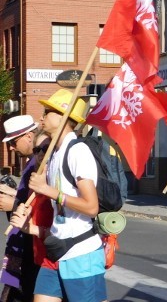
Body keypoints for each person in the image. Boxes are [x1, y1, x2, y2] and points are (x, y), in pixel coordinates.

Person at [10, 89, 106, 301]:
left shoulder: (77, 151)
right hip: (55, 250)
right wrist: (30, 224)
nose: (42, 116)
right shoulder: (53, 154)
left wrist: (49, 190)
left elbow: (91, 207)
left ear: (64, 116)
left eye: (48, 111)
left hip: (81, 253)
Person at [0, 116, 45, 301]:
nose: (11, 147)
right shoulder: (31, 162)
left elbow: (43, 205)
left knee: (23, 292)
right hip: (24, 244)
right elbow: (29, 196)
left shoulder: (39, 163)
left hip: (33, 247)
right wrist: (12, 192)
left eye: (13, 141)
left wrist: (14, 204)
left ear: (28, 136)